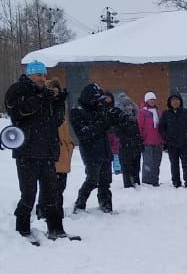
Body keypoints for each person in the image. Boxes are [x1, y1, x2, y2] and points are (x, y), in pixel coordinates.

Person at [5, 61, 69, 239]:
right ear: (30, 75)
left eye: (44, 75)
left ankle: (56, 228)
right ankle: (22, 229)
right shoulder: (17, 89)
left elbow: (55, 121)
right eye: (39, 75)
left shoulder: (46, 93)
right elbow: (17, 113)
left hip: (47, 150)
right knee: (28, 194)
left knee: (51, 193)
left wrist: (59, 103)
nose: (43, 78)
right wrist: (42, 99)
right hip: (27, 151)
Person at [70, 82, 136, 213]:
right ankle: (80, 203)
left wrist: (120, 118)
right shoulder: (77, 111)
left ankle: (105, 204)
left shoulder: (100, 108)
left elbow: (110, 120)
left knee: (106, 181)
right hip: (90, 151)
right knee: (92, 179)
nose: (99, 102)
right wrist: (102, 124)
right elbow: (83, 133)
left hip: (105, 148)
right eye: (97, 99)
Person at [36, 81, 75, 220]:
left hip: (63, 154)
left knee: (60, 186)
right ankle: (44, 211)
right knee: (49, 187)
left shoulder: (61, 112)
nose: (55, 94)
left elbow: (66, 134)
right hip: (50, 153)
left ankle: (57, 211)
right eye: (53, 91)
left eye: (57, 91)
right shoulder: (44, 111)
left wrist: (69, 146)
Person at [159, 92, 187, 188]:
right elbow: (161, 128)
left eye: (177, 100)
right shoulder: (166, 114)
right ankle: (176, 182)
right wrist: (167, 138)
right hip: (171, 144)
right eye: (173, 100)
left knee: (186, 164)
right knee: (174, 164)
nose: (175, 102)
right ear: (169, 102)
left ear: (180, 101)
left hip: (184, 143)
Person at [113, 91, 143, 187]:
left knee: (136, 166)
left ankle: (136, 182)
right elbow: (118, 133)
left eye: (130, 105)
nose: (129, 107)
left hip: (135, 146)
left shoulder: (134, 118)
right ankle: (128, 184)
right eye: (127, 105)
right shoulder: (119, 119)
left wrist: (139, 143)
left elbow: (138, 132)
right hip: (125, 146)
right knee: (127, 166)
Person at [137, 91, 165, 186]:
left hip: (158, 141)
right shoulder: (142, 112)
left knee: (157, 161)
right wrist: (141, 138)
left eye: (153, 99)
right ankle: (147, 181)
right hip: (147, 141)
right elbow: (140, 126)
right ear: (146, 100)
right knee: (148, 162)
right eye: (150, 99)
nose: (152, 101)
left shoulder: (158, 112)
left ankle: (155, 179)